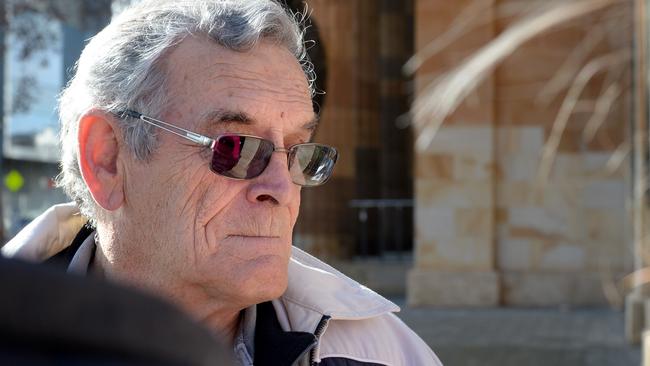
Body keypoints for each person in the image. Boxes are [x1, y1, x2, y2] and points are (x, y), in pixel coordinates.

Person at [2, 1, 442, 365]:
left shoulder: (388, 355)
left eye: (297, 152)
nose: (283, 190)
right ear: (108, 158)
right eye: (236, 148)